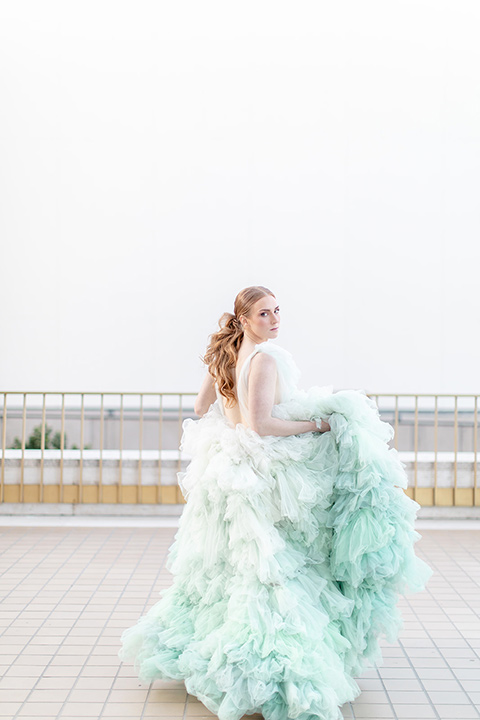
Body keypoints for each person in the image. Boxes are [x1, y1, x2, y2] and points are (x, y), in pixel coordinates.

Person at [119, 285, 432, 720]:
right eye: (264, 314)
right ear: (244, 320)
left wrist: (231, 419)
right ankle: (269, 664)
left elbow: (200, 405)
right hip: (262, 470)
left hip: (229, 466)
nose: (275, 319)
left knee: (236, 565)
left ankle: (219, 645)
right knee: (274, 564)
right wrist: (317, 425)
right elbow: (262, 424)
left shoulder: (226, 357)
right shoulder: (264, 359)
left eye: (277, 310)